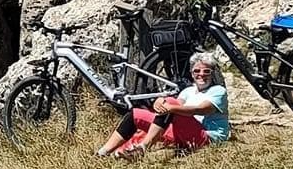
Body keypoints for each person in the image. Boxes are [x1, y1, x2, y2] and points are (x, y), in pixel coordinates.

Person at [95, 52, 231, 157]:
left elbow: (201, 109)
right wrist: (160, 100)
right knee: (136, 114)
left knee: (171, 104)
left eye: (206, 71)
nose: (201, 74)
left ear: (212, 73)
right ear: (191, 73)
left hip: (207, 138)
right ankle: (104, 153)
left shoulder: (218, 90)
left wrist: (169, 106)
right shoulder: (187, 91)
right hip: (185, 133)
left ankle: (143, 147)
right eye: (197, 71)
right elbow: (173, 108)